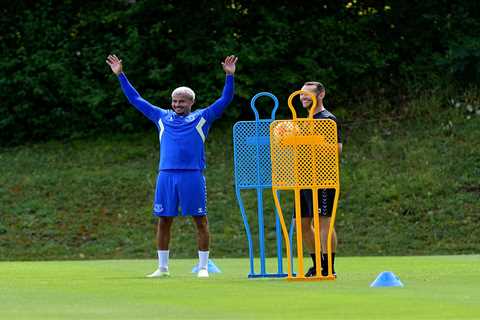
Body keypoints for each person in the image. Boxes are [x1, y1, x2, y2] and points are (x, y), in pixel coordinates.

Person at [106, 54, 238, 278]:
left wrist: (229, 77)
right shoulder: (161, 117)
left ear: (191, 103)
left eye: (182, 101)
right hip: (166, 176)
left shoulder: (202, 117)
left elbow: (225, 100)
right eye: (175, 101)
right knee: (164, 220)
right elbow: (136, 100)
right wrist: (121, 75)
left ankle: (204, 267)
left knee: (200, 220)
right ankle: (163, 268)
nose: (177, 104)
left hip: (192, 176)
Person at [299, 81, 342, 277]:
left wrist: (314, 143)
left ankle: (328, 267)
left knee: (324, 223)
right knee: (300, 224)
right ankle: (317, 264)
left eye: (308, 94)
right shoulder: (304, 121)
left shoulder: (327, 119)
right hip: (304, 179)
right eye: (301, 94)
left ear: (321, 95)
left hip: (323, 179)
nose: (304, 98)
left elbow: (337, 149)